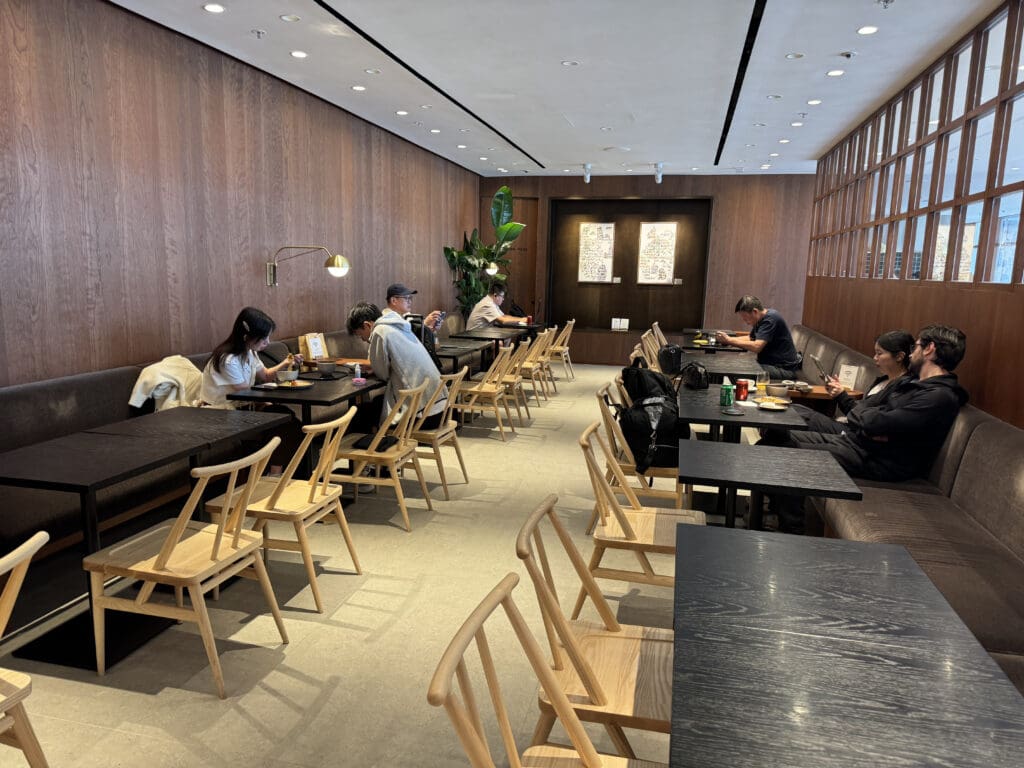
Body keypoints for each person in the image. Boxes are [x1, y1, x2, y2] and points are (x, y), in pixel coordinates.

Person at [767, 324, 968, 534]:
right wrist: (871, 422)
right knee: (780, 437)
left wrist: (871, 423)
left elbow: (877, 422)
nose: (912, 353)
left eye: (916, 347)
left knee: (790, 457)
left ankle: (792, 534)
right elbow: (873, 417)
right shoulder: (918, 385)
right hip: (862, 444)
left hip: (879, 460)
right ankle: (769, 513)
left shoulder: (938, 396)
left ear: (929, 349)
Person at [347, 301, 444, 430]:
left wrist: (375, 368)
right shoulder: (399, 326)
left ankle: (369, 447)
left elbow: (383, 374)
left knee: (359, 414)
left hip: (422, 416)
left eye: (360, 335)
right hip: (439, 409)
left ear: (367, 325)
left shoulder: (379, 331)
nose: (363, 340)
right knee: (375, 403)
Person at [200, 307, 302, 408]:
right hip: (220, 411)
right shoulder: (228, 361)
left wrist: (287, 362)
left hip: (242, 405)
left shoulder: (249, 351)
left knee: (284, 414)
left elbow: (266, 376)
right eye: (263, 338)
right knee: (281, 414)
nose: (268, 342)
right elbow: (245, 391)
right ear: (246, 337)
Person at [715, 295, 801, 380]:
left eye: (746, 318)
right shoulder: (762, 319)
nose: (746, 322)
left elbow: (757, 347)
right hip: (771, 365)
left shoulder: (770, 319)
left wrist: (729, 340)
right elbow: (750, 338)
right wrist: (727, 339)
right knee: (730, 365)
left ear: (755, 311)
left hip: (784, 369)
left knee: (736, 369)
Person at [385, 283, 443, 371]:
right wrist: (423, 326)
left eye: (410, 298)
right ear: (393, 300)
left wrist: (431, 330)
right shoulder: (387, 322)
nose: (410, 301)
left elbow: (436, 347)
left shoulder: (409, 317)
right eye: (406, 298)